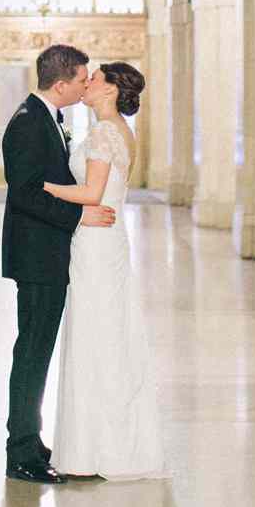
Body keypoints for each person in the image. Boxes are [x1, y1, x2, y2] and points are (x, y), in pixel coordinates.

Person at [1, 43, 117, 484]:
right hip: (35, 257)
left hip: (47, 253)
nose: (87, 84)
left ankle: (30, 439)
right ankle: (22, 452)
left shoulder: (48, 118)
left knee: (36, 351)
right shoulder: (29, 123)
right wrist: (79, 213)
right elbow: (26, 193)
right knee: (32, 353)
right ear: (62, 83)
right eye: (83, 78)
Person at [44, 62, 166, 480]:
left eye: (95, 78)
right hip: (107, 242)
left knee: (95, 333)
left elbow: (92, 193)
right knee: (109, 333)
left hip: (96, 242)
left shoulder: (103, 132)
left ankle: (95, 448)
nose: (88, 83)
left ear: (112, 90)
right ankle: (110, 443)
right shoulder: (119, 131)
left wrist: (41, 187)